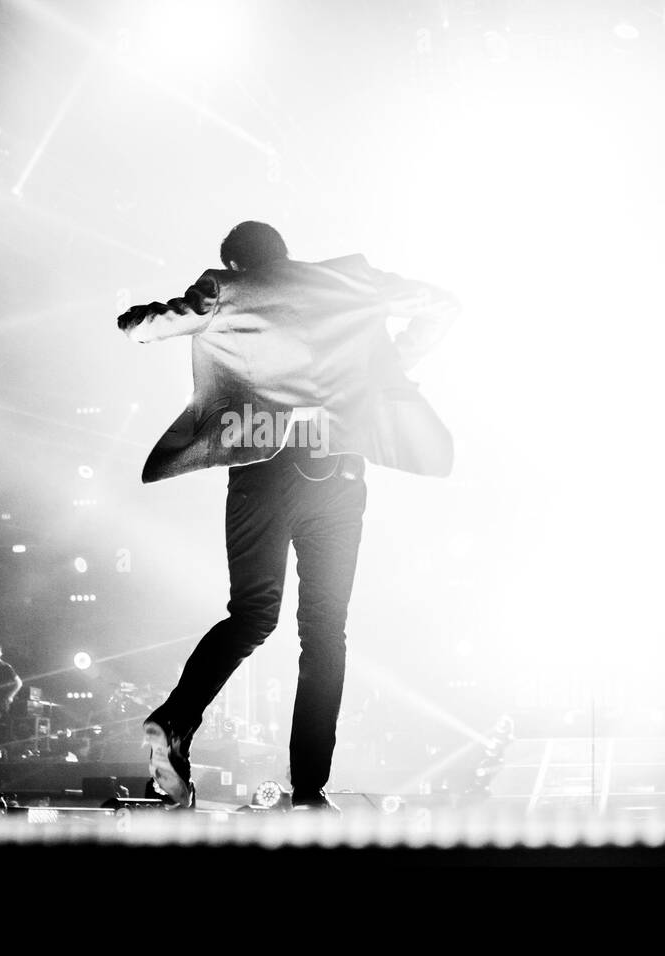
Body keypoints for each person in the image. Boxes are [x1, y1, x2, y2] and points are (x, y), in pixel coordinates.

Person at [118, 221, 458, 810]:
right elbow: (442, 306)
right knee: (325, 633)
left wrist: (134, 318)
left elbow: (146, 329)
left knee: (250, 616)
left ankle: (176, 720)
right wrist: (386, 371)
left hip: (261, 472)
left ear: (235, 262)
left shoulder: (227, 288)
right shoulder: (347, 282)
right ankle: (308, 791)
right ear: (285, 252)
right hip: (337, 473)